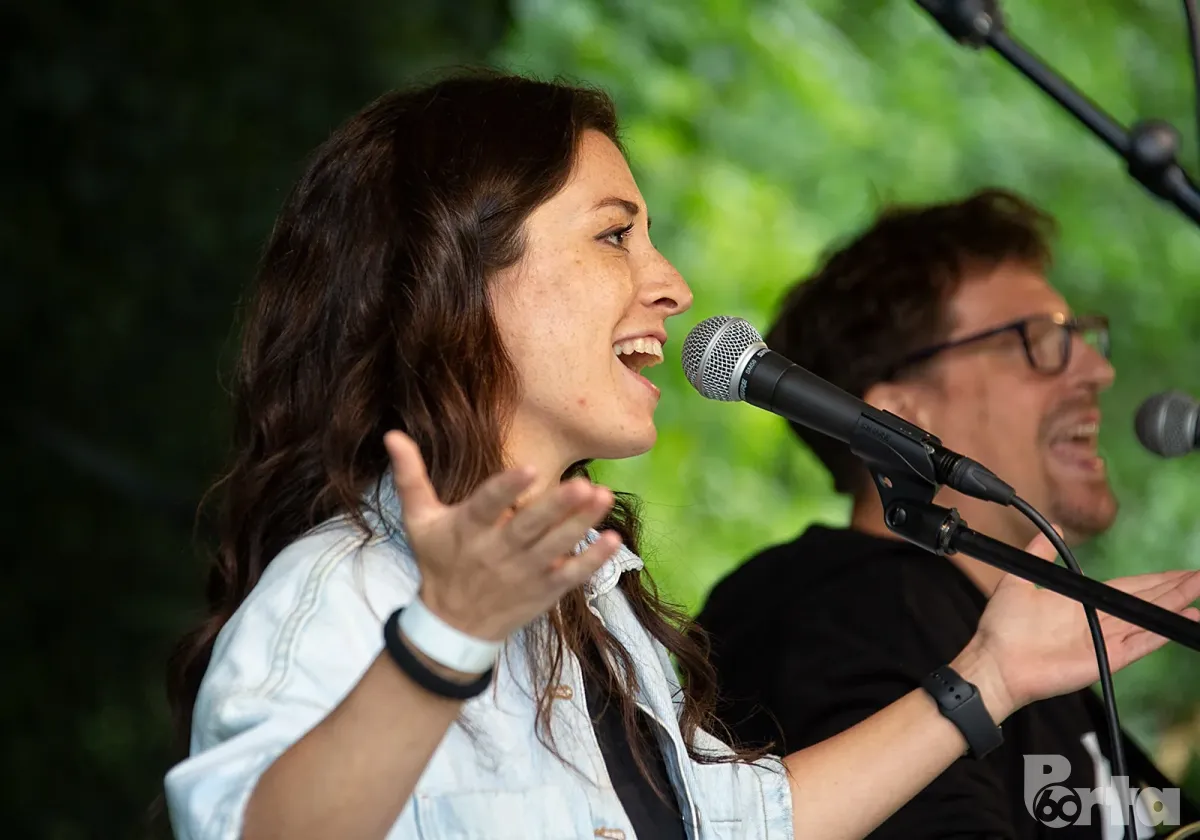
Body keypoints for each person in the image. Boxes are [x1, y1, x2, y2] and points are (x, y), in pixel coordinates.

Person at [162, 75, 1200, 840]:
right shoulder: (344, 592)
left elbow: (745, 824)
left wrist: (989, 678)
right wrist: (444, 642)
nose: (672, 285)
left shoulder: (595, 615)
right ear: (458, 272)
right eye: (616, 235)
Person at [697, 189, 1200, 840]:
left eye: (1079, 336)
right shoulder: (856, 607)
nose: (1097, 370)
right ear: (901, 416)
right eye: (1039, 341)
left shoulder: (1006, 639)